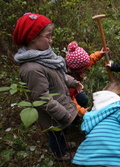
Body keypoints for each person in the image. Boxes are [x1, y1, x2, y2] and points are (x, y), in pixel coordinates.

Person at [13, 13, 82, 161]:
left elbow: (59, 75)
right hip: (52, 112)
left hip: (60, 102)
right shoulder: (32, 68)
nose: (51, 39)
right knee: (55, 133)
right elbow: (41, 97)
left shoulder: (45, 55)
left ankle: (64, 144)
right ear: (32, 38)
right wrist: (62, 112)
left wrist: (72, 83)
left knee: (62, 130)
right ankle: (60, 154)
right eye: (47, 36)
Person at [65, 41, 107, 116]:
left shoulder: (77, 66)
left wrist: (100, 54)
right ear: (76, 69)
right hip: (65, 99)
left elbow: (90, 60)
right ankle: (74, 118)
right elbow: (70, 100)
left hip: (74, 93)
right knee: (70, 112)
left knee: (83, 98)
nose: (84, 69)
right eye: (82, 69)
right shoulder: (67, 81)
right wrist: (82, 112)